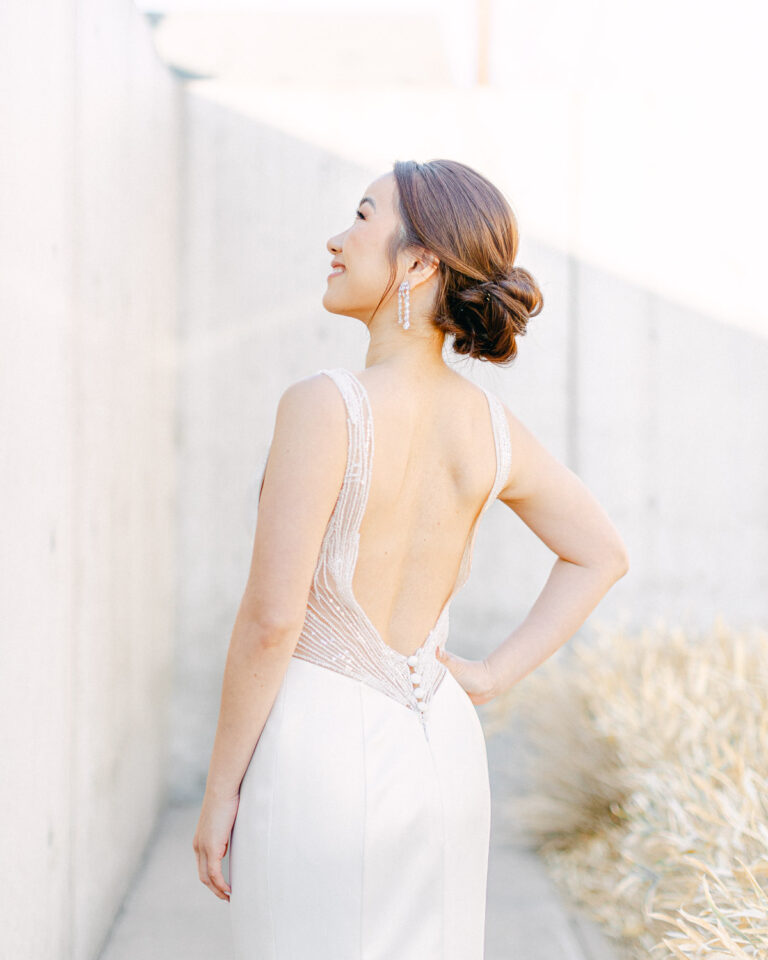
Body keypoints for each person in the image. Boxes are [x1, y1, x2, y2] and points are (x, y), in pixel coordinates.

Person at [192, 158, 629, 959]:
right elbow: (598, 553)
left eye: (360, 217)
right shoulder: (490, 427)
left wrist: (220, 789)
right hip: (444, 751)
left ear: (421, 261)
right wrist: (492, 677)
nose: (335, 238)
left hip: (318, 756)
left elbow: (272, 619)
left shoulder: (325, 405)